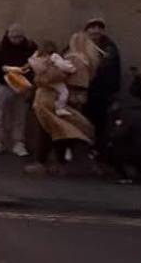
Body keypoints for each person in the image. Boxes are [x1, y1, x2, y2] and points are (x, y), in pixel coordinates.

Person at [23, 35, 96, 175]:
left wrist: (40, 79)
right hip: (72, 99)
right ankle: (60, 163)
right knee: (63, 131)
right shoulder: (87, 61)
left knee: (48, 130)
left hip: (56, 98)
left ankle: (43, 162)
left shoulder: (74, 60)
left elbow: (53, 77)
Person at [0, 23, 36, 156]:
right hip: (3, 85)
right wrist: (4, 78)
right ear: (8, 36)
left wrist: (26, 80)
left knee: (20, 115)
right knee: (0, 114)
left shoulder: (30, 47)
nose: (16, 40)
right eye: (13, 37)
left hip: (22, 86)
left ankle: (18, 142)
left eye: (19, 37)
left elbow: (35, 66)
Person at [83, 18, 122, 145]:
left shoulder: (109, 47)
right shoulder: (79, 44)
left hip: (102, 92)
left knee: (101, 122)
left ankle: (98, 147)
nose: (96, 31)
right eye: (92, 27)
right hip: (84, 90)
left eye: (99, 28)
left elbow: (108, 69)